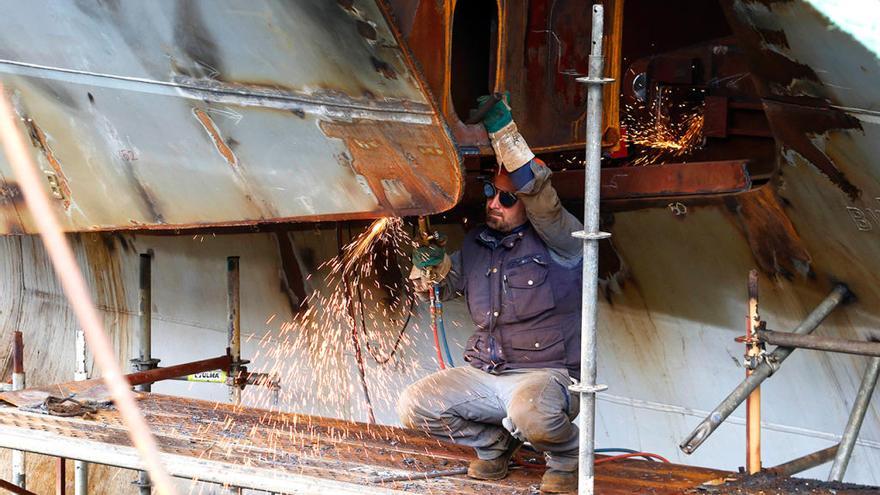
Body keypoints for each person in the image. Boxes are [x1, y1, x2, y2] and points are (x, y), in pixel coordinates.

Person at [398, 94, 584, 493]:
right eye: (490, 193)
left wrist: (503, 130)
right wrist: (429, 266)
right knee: (414, 405)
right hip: (484, 372)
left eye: (507, 198)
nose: (494, 204)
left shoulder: (560, 240)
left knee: (529, 415)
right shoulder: (476, 243)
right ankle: (495, 447)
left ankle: (568, 458)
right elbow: (440, 288)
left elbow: (540, 195)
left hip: (544, 375)